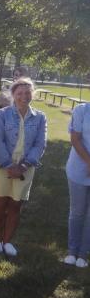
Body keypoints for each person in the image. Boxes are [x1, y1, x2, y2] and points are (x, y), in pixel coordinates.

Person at [0, 77, 47, 257]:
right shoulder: (2, 114)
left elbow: (40, 144)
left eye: (28, 92)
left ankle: (8, 241)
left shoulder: (40, 117)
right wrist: (9, 165)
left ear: (33, 94)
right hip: (1, 165)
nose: (24, 96)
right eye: (19, 93)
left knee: (15, 204)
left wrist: (24, 165)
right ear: (13, 94)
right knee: (0, 202)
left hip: (25, 167)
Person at [65, 101, 90, 268]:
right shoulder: (82, 110)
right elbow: (75, 139)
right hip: (78, 169)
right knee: (77, 212)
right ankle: (72, 251)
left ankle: (83, 253)